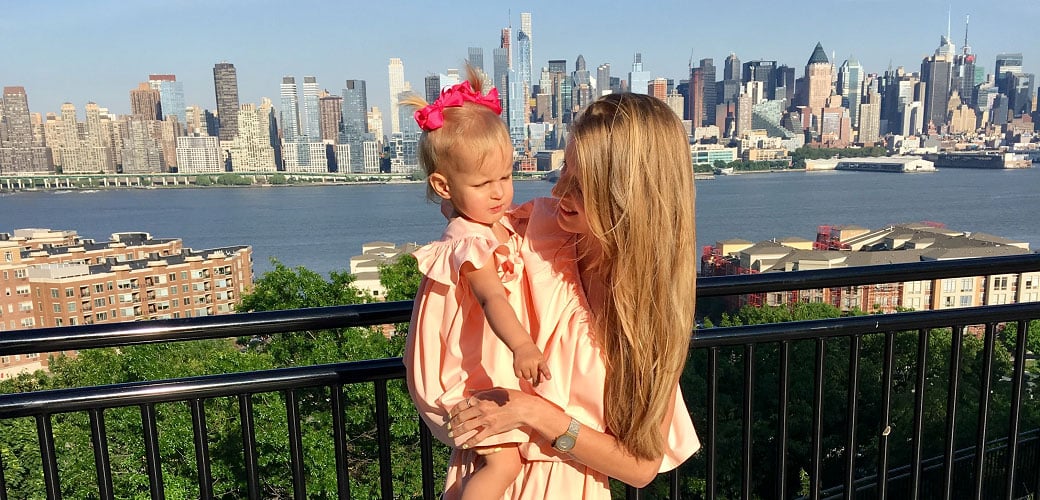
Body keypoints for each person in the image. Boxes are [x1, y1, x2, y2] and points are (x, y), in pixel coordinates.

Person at [433, 92, 701, 498]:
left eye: (581, 183)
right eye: (564, 170)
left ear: (626, 195)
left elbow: (640, 467)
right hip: (491, 477)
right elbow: (465, 219)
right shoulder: (533, 231)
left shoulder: (648, 313)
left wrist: (534, 412)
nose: (559, 190)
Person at [402, 69, 550, 500]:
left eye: (505, 177)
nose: (499, 193)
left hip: (467, 369)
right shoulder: (470, 240)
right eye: (483, 184)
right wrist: (523, 346)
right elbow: (491, 297)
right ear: (443, 185)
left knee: (483, 464)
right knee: (505, 463)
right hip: (459, 378)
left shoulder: (478, 223)